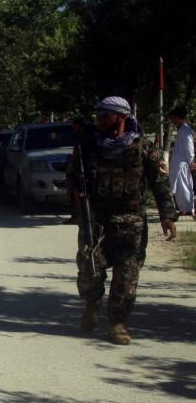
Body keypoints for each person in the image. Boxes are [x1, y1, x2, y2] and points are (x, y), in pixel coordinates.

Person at [68, 96, 178, 345]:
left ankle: (116, 323)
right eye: (98, 115)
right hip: (96, 219)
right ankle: (92, 302)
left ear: (120, 117)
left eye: (104, 116)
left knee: (126, 278)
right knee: (89, 270)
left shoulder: (144, 147)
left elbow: (160, 185)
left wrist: (167, 216)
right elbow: (72, 174)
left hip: (131, 221)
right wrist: (75, 190)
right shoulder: (88, 146)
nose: (99, 120)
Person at [168, 107, 194, 218]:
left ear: (178, 118)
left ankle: (187, 209)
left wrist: (191, 160)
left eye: (173, 118)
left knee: (183, 185)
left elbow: (189, 147)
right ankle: (183, 208)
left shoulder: (185, 130)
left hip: (183, 163)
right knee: (179, 186)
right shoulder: (182, 130)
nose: (172, 121)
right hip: (179, 162)